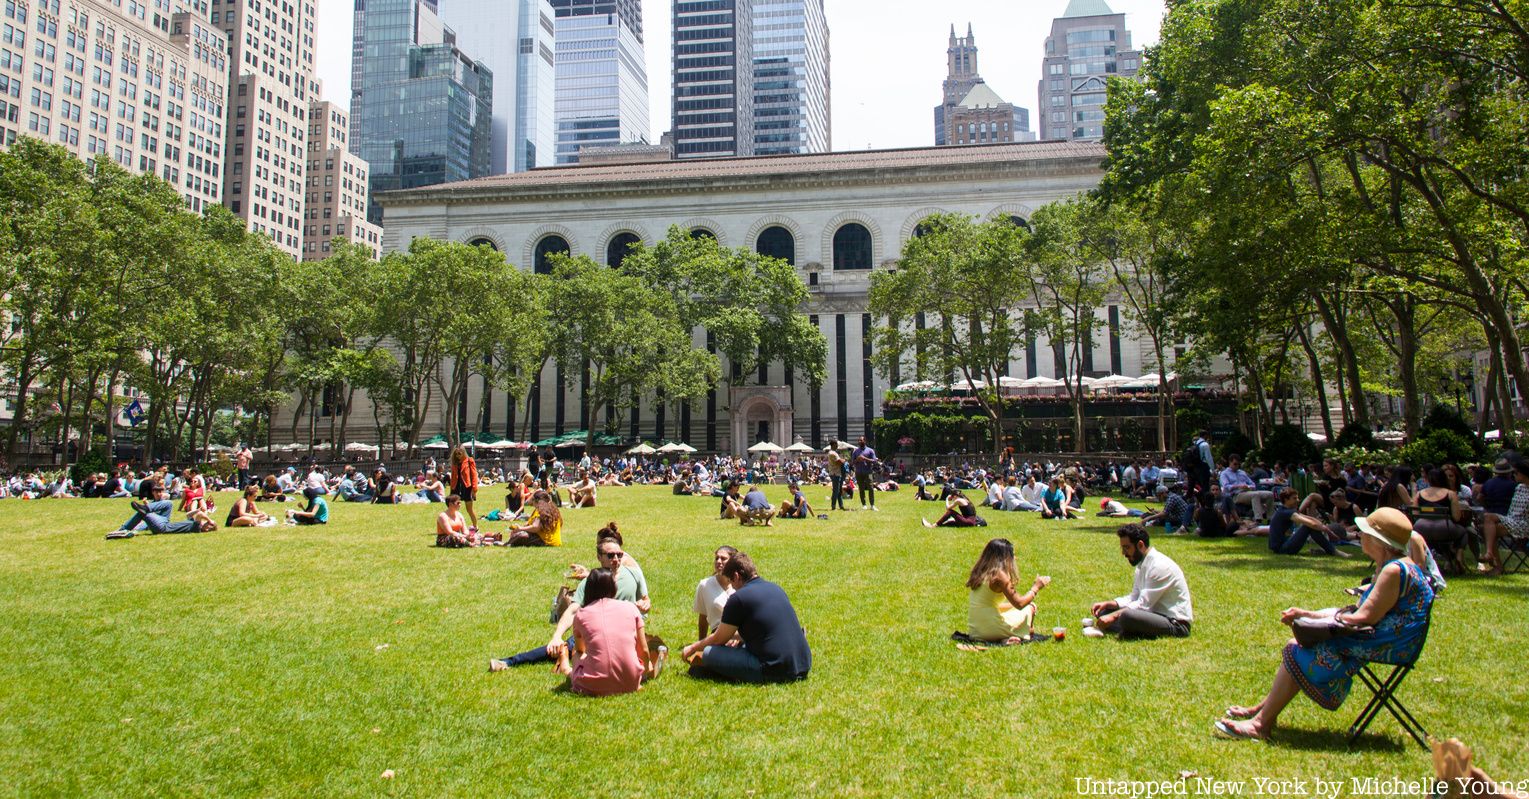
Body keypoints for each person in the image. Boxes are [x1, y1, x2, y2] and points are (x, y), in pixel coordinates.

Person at [1214, 507, 1435, 741]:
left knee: (1297, 646)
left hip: (1391, 644)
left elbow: (1364, 618)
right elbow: (1359, 613)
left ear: (1380, 541)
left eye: (1365, 533)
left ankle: (1260, 724)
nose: (1360, 536)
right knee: (1299, 643)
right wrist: (1307, 614)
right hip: (1391, 639)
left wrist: (1315, 623)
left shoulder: (1393, 570)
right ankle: (1263, 712)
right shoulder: (1400, 565)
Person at [490, 536, 650, 670]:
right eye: (610, 555)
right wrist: (557, 636)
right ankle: (509, 662)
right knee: (564, 645)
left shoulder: (633, 574)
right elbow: (573, 610)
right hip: (597, 630)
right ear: (599, 557)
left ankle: (567, 661)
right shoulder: (591, 581)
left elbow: (645, 599)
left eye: (619, 555)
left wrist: (645, 604)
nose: (616, 559)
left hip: (627, 632)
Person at [683, 553, 811, 683]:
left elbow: (718, 639)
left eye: (731, 582)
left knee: (709, 652)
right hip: (802, 665)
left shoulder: (738, 598)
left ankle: (724, 674)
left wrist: (692, 648)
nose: (732, 587)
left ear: (737, 577)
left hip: (773, 669)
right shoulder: (776, 588)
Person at [555, 567, 655, 696]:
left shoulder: (582, 614)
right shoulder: (631, 608)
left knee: (576, 653)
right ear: (614, 588)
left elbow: (580, 649)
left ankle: (566, 669)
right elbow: (644, 650)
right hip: (631, 682)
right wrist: (645, 674)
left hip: (591, 686)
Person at [1087, 524, 1193, 640]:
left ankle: (1131, 630)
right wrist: (1111, 604)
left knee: (1126, 616)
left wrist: (1113, 616)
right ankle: (1132, 630)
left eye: (1127, 548)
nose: (1123, 553)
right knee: (1105, 612)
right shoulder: (1142, 564)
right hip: (1153, 614)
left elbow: (1143, 605)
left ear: (1140, 545)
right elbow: (1134, 597)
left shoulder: (1159, 566)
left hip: (1175, 624)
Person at [965, 538, 1051, 643]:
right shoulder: (999, 574)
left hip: (976, 630)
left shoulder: (980, 570)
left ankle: (1006, 639)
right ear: (1005, 557)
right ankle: (1026, 631)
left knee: (1014, 608)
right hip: (990, 627)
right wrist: (1036, 587)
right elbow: (1020, 604)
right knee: (1030, 607)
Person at [107, 486, 217, 538]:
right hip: (164, 521)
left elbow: (200, 515)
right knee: (168, 503)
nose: (204, 522)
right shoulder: (193, 524)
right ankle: (147, 508)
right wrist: (197, 510)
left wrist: (208, 519)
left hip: (162, 528)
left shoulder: (196, 528)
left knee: (143, 514)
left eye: (206, 524)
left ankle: (123, 529)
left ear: (206, 529)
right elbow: (189, 515)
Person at [1479, 460, 1529, 575]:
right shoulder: (1519, 487)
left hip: (1525, 524)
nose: (1513, 475)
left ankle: (1496, 565)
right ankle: (1490, 554)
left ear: (1524, 474)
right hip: (1512, 520)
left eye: (1516, 473)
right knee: (1487, 519)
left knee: (1485, 528)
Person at [1266, 487, 1345, 556]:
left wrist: (1328, 530)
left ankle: (1329, 550)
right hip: (1281, 549)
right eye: (1294, 498)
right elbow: (1311, 524)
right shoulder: (1286, 512)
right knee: (1308, 526)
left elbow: (1311, 519)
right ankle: (1333, 551)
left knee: (1310, 526)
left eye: (1297, 498)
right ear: (1286, 500)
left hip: (1282, 546)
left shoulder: (1286, 510)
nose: (1298, 500)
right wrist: (1330, 533)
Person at [694, 546, 739, 640]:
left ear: (733, 562)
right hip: (717, 636)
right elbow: (703, 617)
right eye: (716, 558)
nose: (718, 561)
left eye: (723, 559)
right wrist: (701, 644)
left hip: (740, 635)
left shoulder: (740, 584)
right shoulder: (705, 585)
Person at [449, 446, 481, 528]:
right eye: (456, 454)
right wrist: (451, 489)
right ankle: (454, 526)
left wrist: (474, 489)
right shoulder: (455, 463)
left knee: (469, 509)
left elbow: (474, 475)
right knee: (453, 509)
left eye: (459, 453)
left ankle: (475, 526)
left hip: (467, 487)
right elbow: (453, 477)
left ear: (463, 453)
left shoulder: (469, 461)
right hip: (456, 487)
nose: (458, 456)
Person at [851, 436, 880, 511]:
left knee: (870, 488)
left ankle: (872, 505)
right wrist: (857, 459)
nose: (860, 442)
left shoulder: (870, 450)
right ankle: (864, 504)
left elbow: (875, 461)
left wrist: (865, 458)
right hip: (858, 472)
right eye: (859, 441)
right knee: (861, 489)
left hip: (868, 472)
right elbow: (852, 462)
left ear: (865, 441)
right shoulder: (855, 451)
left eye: (861, 440)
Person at [826, 441, 847, 511]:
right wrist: (844, 460)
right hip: (835, 474)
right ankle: (833, 506)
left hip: (837, 473)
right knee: (836, 490)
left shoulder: (834, 453)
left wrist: (842, 459)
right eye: (837, 444)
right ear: (834, 445)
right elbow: (839, 462)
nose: (837, 446)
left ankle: (841, 506)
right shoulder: (832, 453)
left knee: (839, 490)